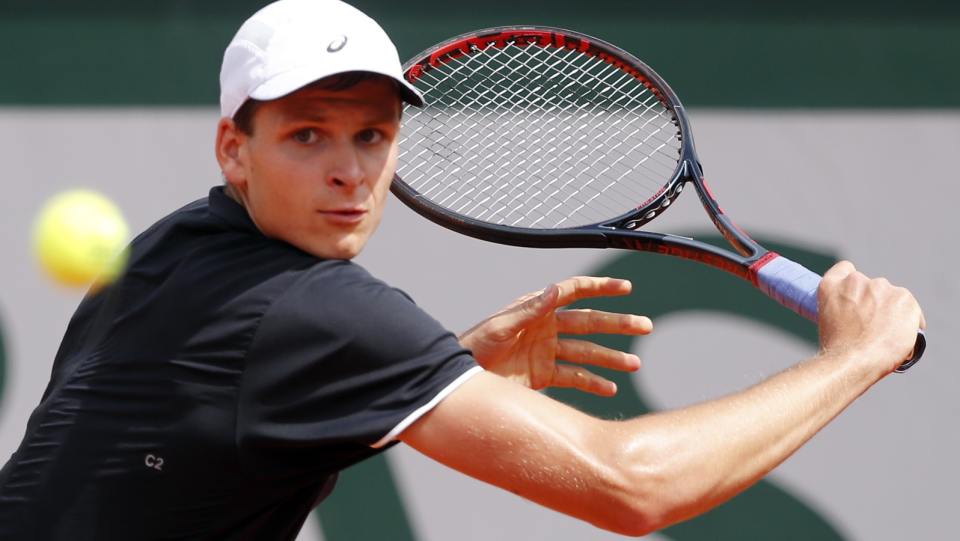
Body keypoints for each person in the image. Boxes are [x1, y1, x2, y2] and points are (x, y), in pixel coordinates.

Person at [0, 0, 924, 539]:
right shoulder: (318, 310)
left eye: (372, 136)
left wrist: (444, 371)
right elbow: (632, 485)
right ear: (233, 150)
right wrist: (853, 355)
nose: (348, 170)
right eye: (307, 134)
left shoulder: (166, 253)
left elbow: (193, 456)